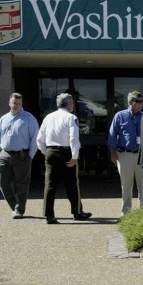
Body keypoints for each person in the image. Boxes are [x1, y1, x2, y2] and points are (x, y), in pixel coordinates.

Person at [37, 93, 91, 224]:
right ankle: (76, 212)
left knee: (50, 185)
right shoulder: (71, 117)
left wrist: (46, 152)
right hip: (66, 152)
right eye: (72, 103)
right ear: (69, 104)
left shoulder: (48, 117)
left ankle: (49, 215)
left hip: (50, 151)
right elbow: (74, 138)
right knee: (72, 184)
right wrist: (74, 156)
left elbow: (40, 139)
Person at [0, 92, 39, 219]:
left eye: (19, 104)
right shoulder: (3, 118)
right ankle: (14, 205)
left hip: (22, 155)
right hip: (4, 154)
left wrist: (30, 155)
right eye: (14, 103)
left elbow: (35, 137)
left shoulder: (28, 118)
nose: (16, 106)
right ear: (9, 103)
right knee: (2, 181)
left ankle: (19, 209)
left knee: (21, 184)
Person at [107, 91, 143, 217]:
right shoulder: (120, 116)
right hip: (124, 154)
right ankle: (126, 214)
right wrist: (113, 153)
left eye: (142, 102)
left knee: (142, 186)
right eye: (138, 102)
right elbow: (112, 136)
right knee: (126, 186)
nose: (141, 104)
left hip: (141, 155)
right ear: (130, 103)